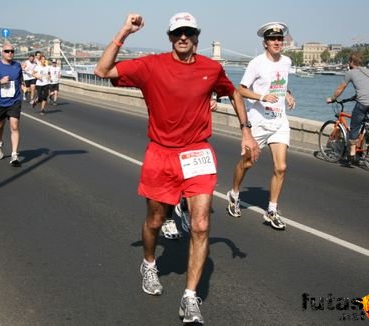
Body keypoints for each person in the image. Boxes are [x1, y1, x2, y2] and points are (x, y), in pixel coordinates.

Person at [94, 12, 259, 324]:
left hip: (197, 153)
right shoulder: (150, 65)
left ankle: (189, 298)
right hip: (161, 153)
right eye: (177, 33)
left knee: (200, 225)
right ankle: (149, 263)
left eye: (188, 32)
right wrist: (125, 31)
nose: (183, 37)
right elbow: (102, 70)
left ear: (196, 36)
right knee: (155, 221)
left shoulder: (212, 69)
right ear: (170, 37)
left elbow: (233, 92)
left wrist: (246, 130)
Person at [225, 22, 296, 231]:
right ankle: (234, 193)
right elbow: (241, 90)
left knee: (281, 167)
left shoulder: (287, 61)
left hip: (280, 121)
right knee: (247, 163)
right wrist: (263, 96)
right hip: (259, 122)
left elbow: (281, 83)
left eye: (280, 39)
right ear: (265, 43)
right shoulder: (256, 63)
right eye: (273, 39)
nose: (277, 42)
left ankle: (272, 210)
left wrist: (288, 94)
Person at [326, 52, 369, 166]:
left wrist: (332, 98)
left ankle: (352, 154)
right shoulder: (367, 71)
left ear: (351, 62)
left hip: (364, 102)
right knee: (363, 120)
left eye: (348, 62)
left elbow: (341, 88)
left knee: (354, 125)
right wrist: (356, 96)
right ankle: (368, 135)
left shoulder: (350, 73)